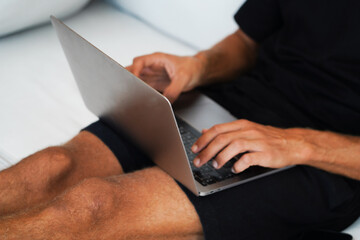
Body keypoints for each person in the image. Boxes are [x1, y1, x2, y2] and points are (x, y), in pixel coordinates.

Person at [1, 0, 360, 239]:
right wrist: (198, 66)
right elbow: (248, 42)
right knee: (54, 165)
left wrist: (297, 143)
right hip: (233, 100)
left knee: (94, 206)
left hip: (323, 159)